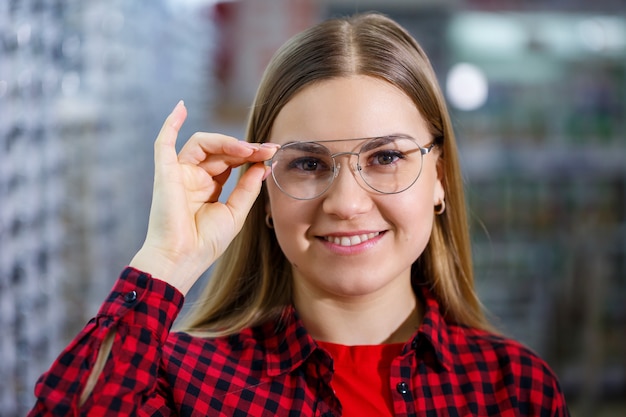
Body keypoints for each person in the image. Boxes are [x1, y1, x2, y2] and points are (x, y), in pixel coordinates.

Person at [28, 12, 570, 416]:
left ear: (440, 177)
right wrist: (167, 258)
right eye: (309, 163)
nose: (347, 203)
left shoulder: (513, 389)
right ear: (263, 190)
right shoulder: (182, 383)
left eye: (385, 158)